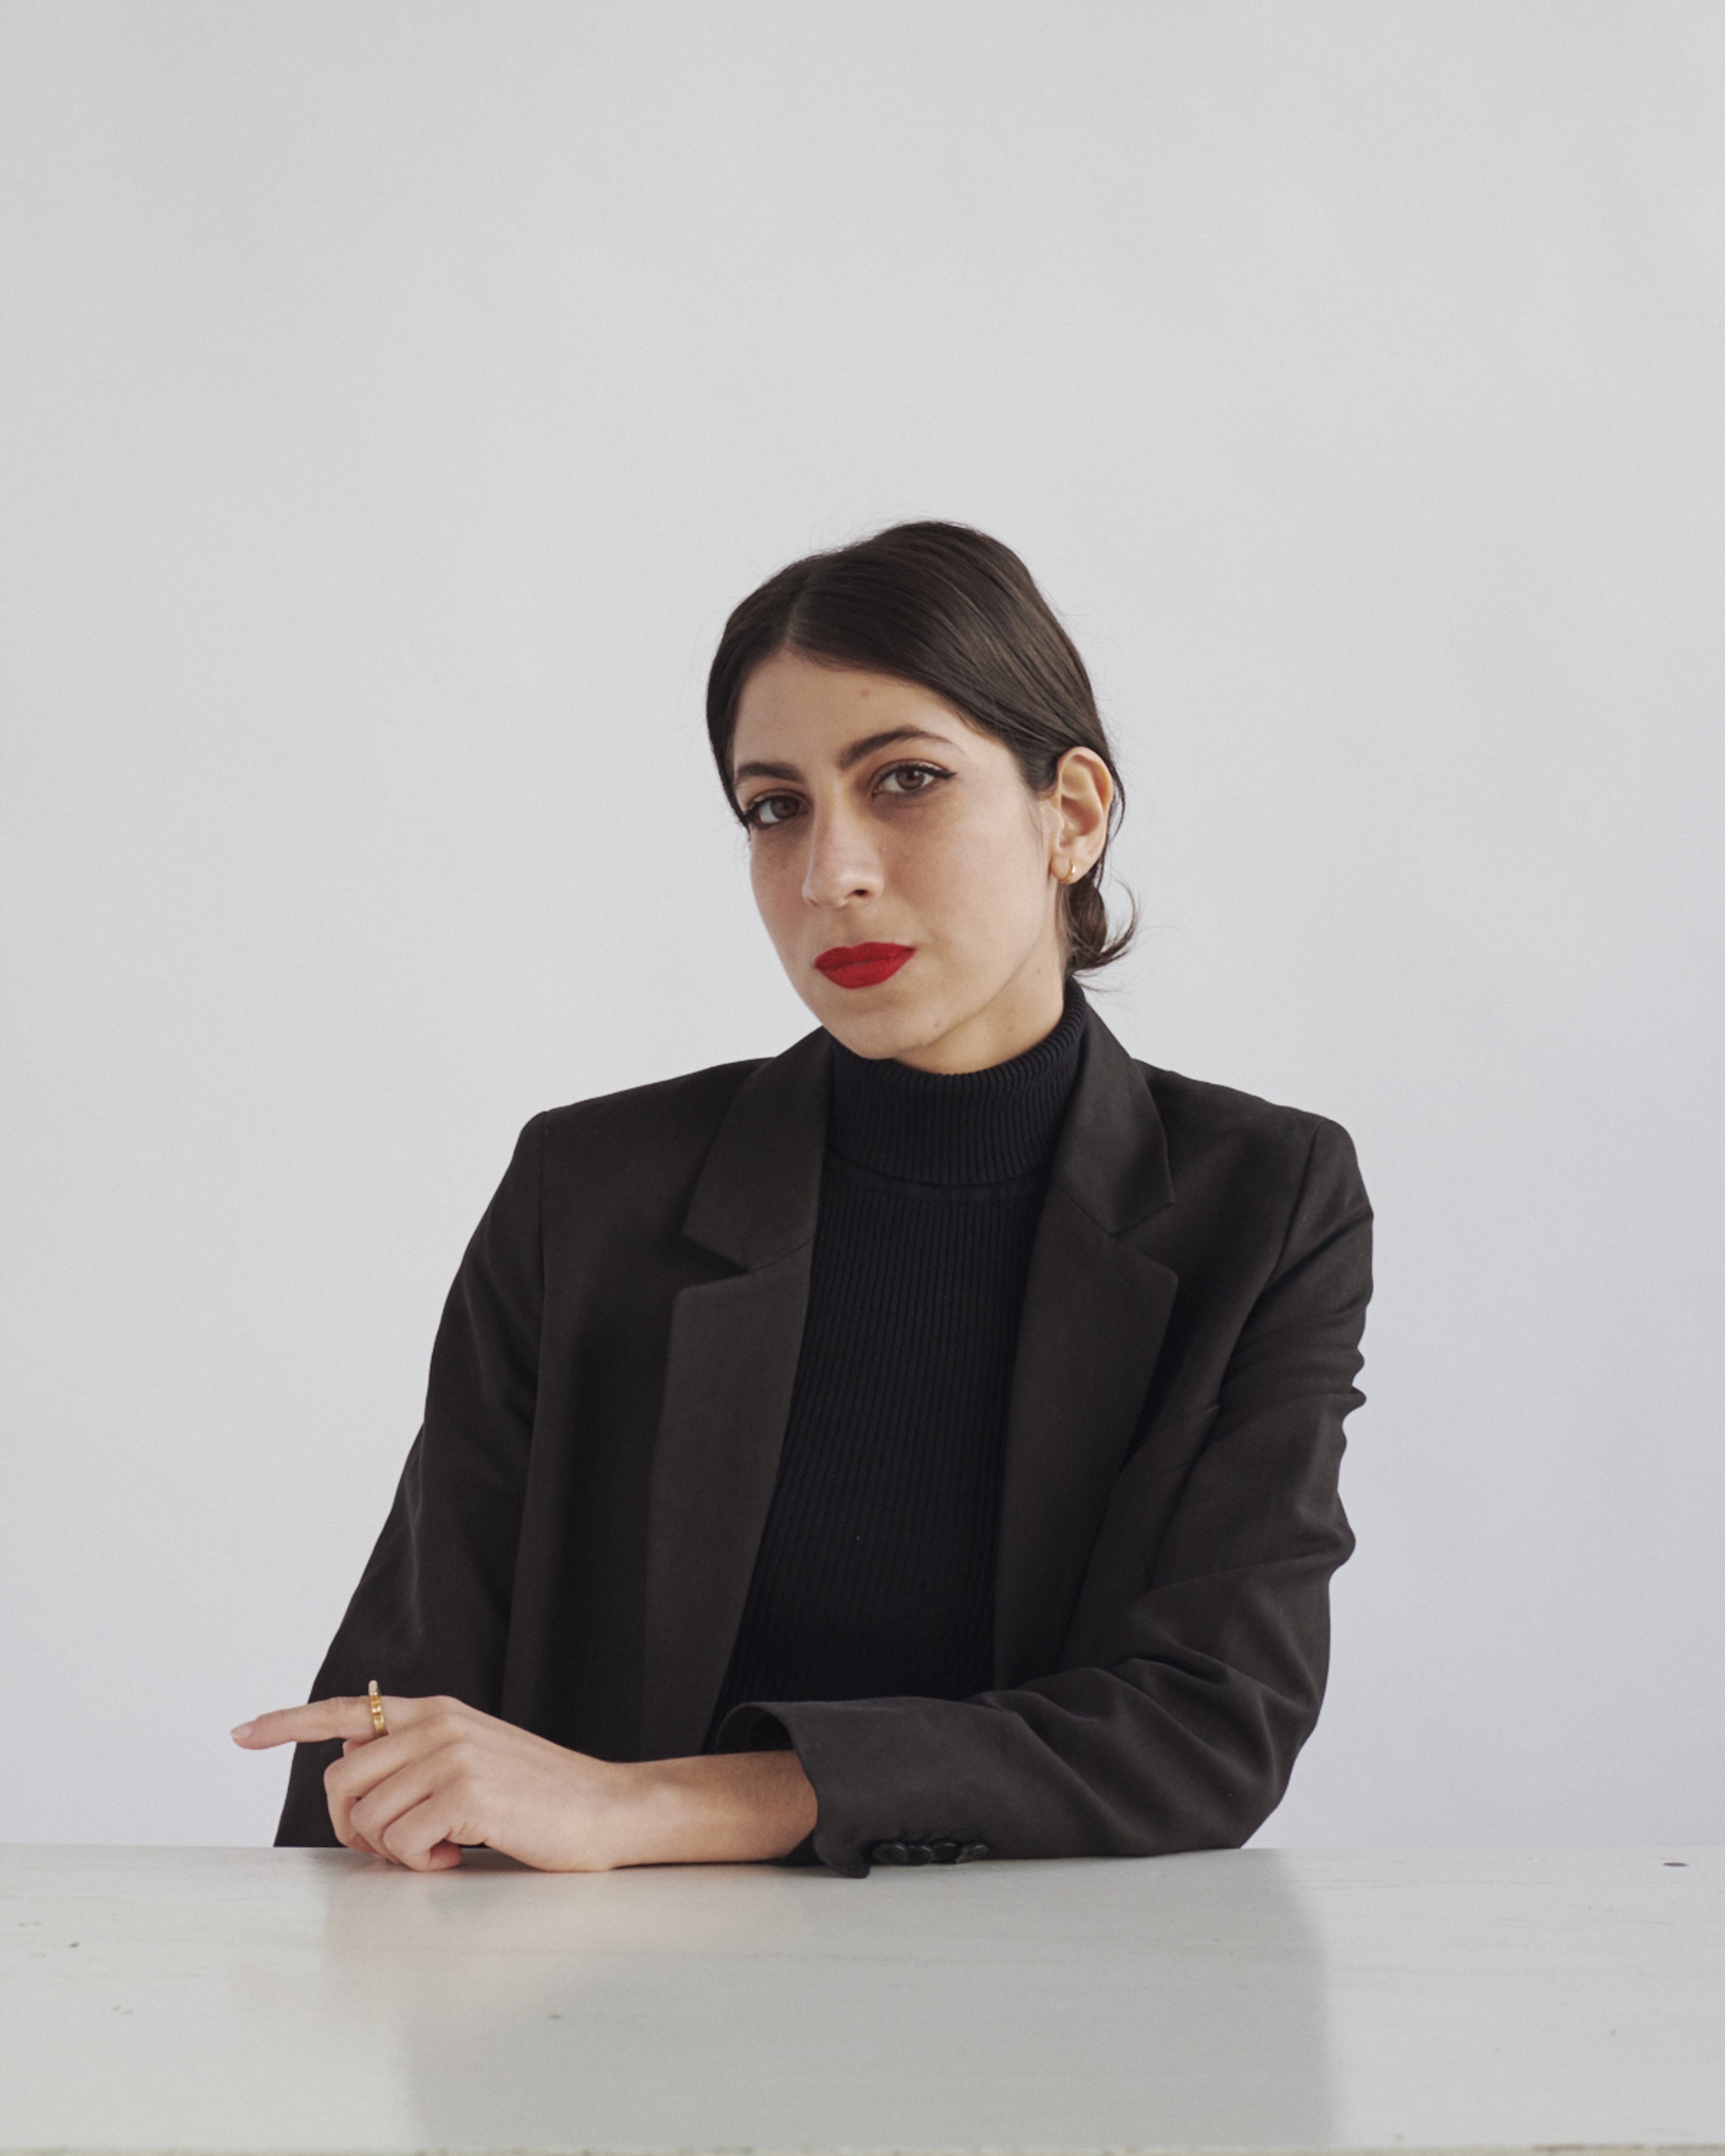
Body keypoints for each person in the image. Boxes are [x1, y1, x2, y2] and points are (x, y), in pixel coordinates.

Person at [234, 521, 1372, 1877]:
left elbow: (1207, 1727)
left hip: (1062, 2026)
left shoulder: (1262, 1201)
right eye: (776, 807)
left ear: (1071, 813)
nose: (831, 870)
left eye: (905, 781)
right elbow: (408, 1703)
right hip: (604, 2024)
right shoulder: (590, 1191)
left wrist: (643, 1807)